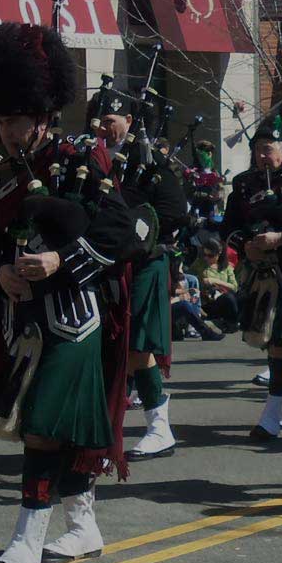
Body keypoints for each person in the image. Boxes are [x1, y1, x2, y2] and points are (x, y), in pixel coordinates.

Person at [0, 22, 139, 563]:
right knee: (56, 429)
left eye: (14, 120)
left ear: (40, 115)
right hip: (23, 322)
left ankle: (25, 544)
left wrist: (63, 261)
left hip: (75, 321)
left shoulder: (78, 160)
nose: (5, 131)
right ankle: (83, 523)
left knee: (41, 425)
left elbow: (131, 228)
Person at [89, 82, 191, 460]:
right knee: (110, 346)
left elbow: (174, 212)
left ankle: (159, 428)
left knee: (138, 346)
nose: (103, 126)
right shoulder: (91, 157)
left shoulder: (148, 161)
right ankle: (101, 427)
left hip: (144, 263)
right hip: (106, 265)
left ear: (129, 120)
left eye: (111, 119)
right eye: (98, 118)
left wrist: (137, 230)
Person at [222, 119, 282, 441]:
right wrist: (246, 244)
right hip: (259, 275)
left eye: (268, 149)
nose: (263, 155)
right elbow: (229, 227)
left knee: (281, 344)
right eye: (257, 149)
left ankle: (271, 416)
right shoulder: (243, 184)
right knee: (271, 343)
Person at [171, 268, 224, 341]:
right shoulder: (161, 278)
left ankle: (189, 327)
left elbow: (173, 290)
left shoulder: (171, 279)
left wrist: (188, 292)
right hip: (161, 314)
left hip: (171, 313)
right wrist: (179, 298)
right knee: (184, 305)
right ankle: (206, 333)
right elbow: (162, 304)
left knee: (192, 295)